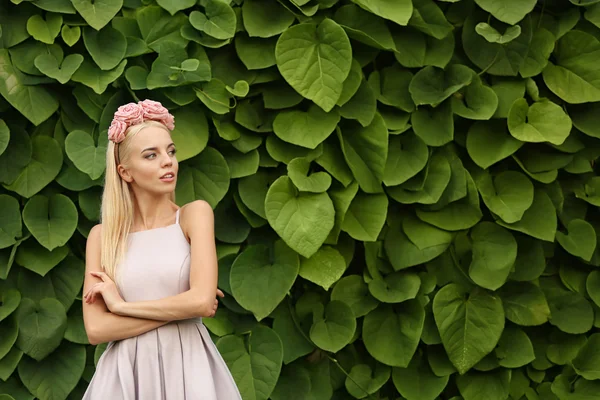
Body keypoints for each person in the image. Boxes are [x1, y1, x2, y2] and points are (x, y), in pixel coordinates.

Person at [81, 99, 242, 399]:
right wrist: (183, 306)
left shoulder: (194, 215)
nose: (167, 161)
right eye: (150, 155)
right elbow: (96, 329)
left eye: (170, 151)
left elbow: (203, 302)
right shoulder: (101, 237)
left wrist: (121, 308)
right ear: (125, 172)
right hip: (126, 375)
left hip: (189, 368)